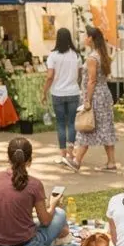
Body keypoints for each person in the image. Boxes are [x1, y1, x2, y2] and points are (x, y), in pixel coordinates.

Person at [0, 135, 70, 246]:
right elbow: (45, 221)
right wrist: (53, 204)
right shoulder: (34, 184)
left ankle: (59, 235)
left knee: (34, 222)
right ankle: (58, 237)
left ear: (8, 158)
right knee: (60, 214)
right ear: (30, 160)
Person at [71, 28, 117, 171]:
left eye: (86, 36)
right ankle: (111, 162)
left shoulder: (92, 58)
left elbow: (92, 80)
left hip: (95, 96)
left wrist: (87, 101)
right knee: (106, 128)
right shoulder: (103, 54)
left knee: (86, 126)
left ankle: (77, 160)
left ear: (91, 38)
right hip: (105, 95)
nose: (84, 38)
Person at [44, 26, 81, 167]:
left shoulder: (53, 56)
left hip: (57, 93)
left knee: (60, 123)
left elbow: (49, 77)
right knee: (72, 123)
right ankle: (71, 153)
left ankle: (62, 154)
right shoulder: (76, 55)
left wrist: (44, 92)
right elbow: (79, 75)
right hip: (73, 92)